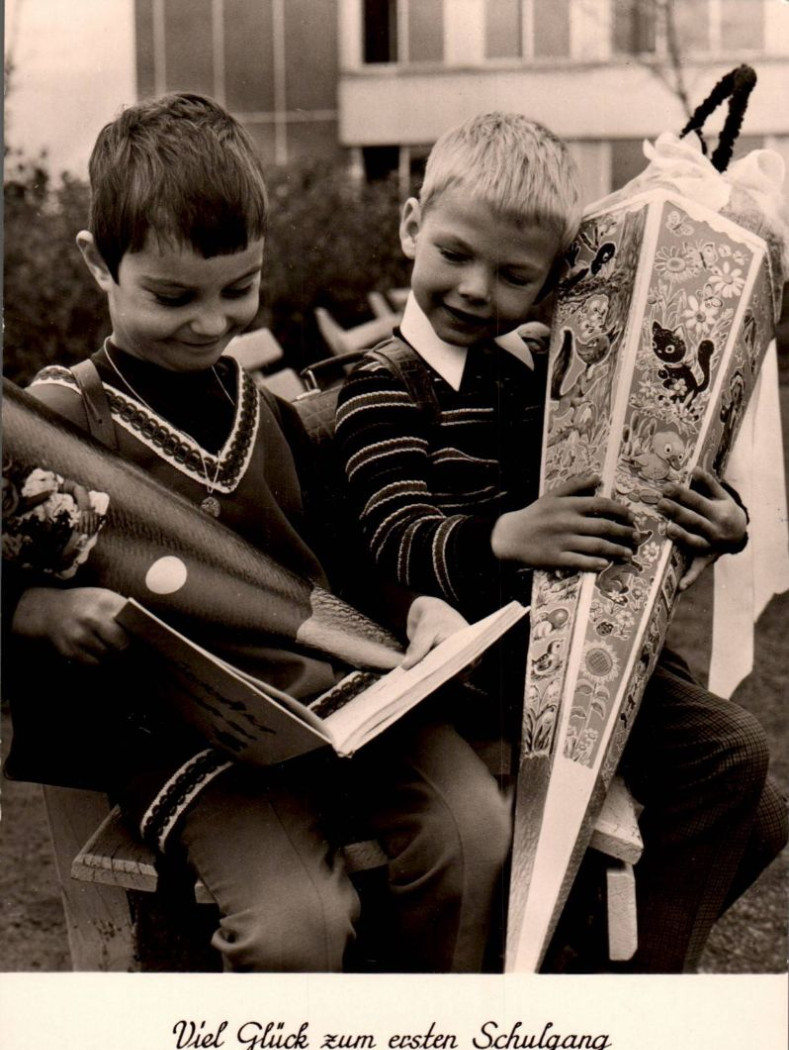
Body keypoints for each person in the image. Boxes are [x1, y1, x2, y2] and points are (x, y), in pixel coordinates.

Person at [5, 93, 513, 974]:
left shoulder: (271, 414)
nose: (211, 323)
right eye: (173, 296)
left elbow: (354, 559)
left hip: (341, 703)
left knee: (472, 834)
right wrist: (36, 611)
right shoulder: (55, 426)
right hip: (183, 737)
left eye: (238, 289)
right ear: (99, 264)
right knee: (296, 927)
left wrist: (422, 605)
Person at [335, 112, 788, 972]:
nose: (475, 289)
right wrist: (505, 535)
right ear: (409, 229)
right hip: (480, 671)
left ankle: (592, 970)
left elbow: (632, 473)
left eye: (513, 276)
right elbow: (392, 537)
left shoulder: (543, 365)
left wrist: (720, 521)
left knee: (761, 812)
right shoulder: (379, 388)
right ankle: (627, 999)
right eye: (455, 254)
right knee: (735, 755)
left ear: (552, 282)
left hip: (584, 651)